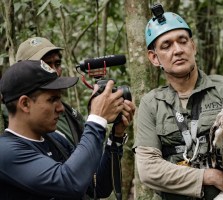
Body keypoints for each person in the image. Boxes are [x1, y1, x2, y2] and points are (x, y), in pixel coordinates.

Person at [133, 4, 223, 200]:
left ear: (193, 46)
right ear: (154, 58)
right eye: (166, 46)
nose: (177, 50)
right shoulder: (151, 104)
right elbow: (148, 170)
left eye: (182, 41)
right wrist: (208, 176)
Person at [0, 60, 135, 199]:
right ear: (25, 104)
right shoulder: (5, 152)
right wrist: (96, 119)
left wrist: (116, 136)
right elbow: (69, 183)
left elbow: (97, 187)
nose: (61, 108)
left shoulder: (56, 140)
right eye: (52, 100)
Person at [3, 37, 85, 145]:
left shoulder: (70, 114)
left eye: (57, 63)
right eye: (45, 65)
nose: (54, 72)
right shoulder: (9, 116)